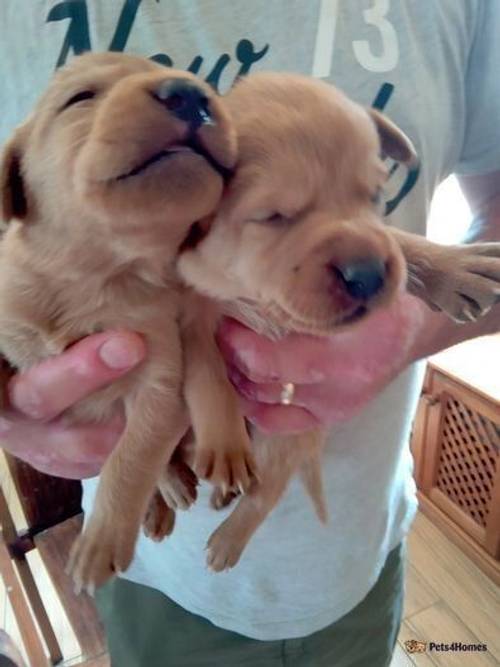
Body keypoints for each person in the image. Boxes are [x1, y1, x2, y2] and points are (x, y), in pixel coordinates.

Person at [1, 2, 499, 665]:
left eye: (373, 194)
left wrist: (418, 323)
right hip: (162, 579)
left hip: (357, 553)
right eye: (270, 210)